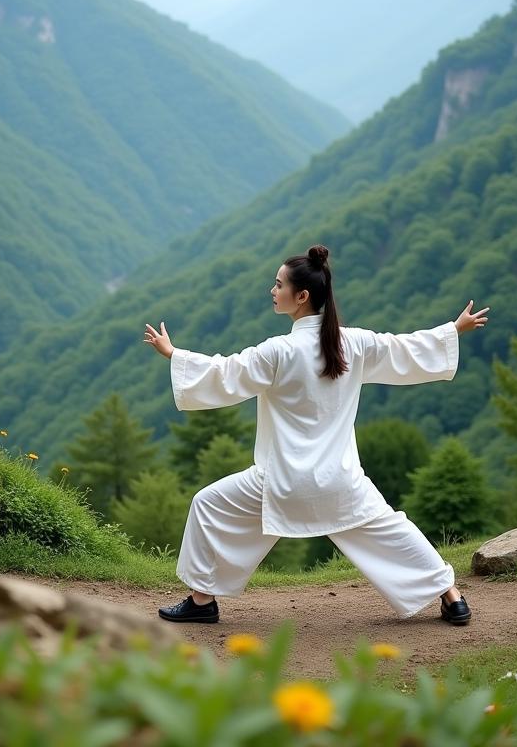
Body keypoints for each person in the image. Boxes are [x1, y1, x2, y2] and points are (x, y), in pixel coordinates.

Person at [143, 244, 488, 627]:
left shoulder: (278, 351)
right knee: (391, 529)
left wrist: (175, 355)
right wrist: (453, 331)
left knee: (208, 506)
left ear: (301, 296)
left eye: (278, 285)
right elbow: (403, 348)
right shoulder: (353, 344)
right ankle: (451, 596)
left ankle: (202, 601)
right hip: (340, 482)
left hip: (281, 482)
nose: (272, 291)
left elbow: (226, 374)